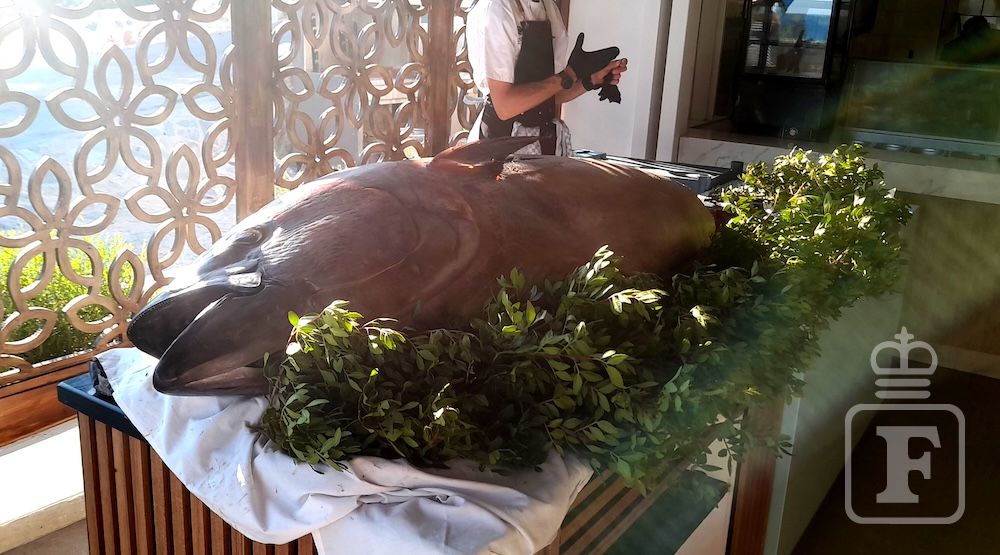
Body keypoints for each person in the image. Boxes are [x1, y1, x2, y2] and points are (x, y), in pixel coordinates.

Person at [466, 0, 628, 156]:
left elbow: (551, 94)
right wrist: (568, 75)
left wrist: (591, 81)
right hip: (501, 145)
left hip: (544, 141)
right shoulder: (498, 9)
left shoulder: (549, 8)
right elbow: (505, 106)